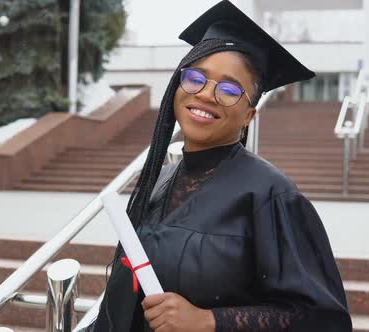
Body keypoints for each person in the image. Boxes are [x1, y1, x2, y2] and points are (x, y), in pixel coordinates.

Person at [84, 1, 352, 331]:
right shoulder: (159, 180)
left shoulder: (270, 195)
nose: (207, 94)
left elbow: (323, 318)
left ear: (249, 116)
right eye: (196, 78)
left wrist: (210, 320)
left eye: (228, 89)